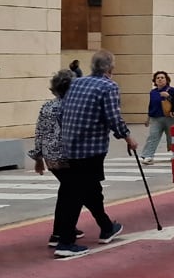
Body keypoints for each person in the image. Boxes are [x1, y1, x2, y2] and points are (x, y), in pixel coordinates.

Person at [53, 49, 137, 258]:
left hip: (69, 145)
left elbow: (62, 111)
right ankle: (65, 242)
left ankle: (105, 226)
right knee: (77, 193)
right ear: (110, 68)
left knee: (83, 190)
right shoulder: (108, 86)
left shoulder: (76, 83)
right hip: (90, 149)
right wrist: (127, 137)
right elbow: (113, 117)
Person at [28, 69, 83, 249]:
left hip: (51, 157)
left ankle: (61, 229)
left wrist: (38, 157)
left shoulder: (47, 106)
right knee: (74, 193)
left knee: (66, 191)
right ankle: (62, 234)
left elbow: (40, 132)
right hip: (68, 155)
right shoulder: (73, 107)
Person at [139, 70, 174, 165]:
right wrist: (148, 118)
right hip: (155, 118)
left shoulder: (171, 90)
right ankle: (148, 155)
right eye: (158, 78)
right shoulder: (153, 92)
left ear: (166, 80)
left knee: (172, 137)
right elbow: (151, 105)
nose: (160, 79)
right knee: (153, 136)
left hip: (169, 117)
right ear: (155, 81)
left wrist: (168, 96)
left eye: (162, 78)